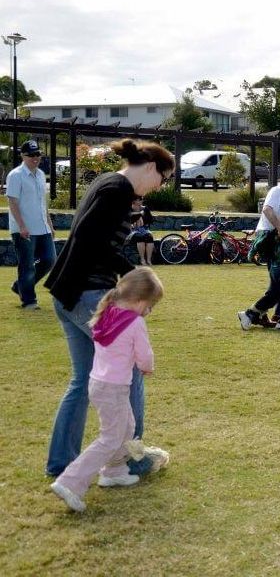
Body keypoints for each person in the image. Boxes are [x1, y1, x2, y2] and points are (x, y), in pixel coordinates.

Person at [44, 138, 174, 478]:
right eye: (162, 179)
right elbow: (90, 239)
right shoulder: (117, 189)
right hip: (89, 295)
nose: (159, 187)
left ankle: (61, 461)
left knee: (83, 379)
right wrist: (132, 274)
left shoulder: (108, 184)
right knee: (128, 370)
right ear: (149, 168)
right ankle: (130, 458)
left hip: (68, 294)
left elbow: (90, 239)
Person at [50, 268, 163, 512]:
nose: (149, 311)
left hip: (99, 384)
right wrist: (147, 367)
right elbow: (144, 355)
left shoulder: (107, 312)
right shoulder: (135, 322)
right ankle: (70, 482)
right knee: (110, 437)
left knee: (127, 427)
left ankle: (114, 471)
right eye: (150, 305)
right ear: (140, 301)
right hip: (114, 388)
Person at [237, 166, 280, 328]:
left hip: (277, 239)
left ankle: (264, 314)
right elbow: (266, 209)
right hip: (269, 238)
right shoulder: (277, 191)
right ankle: (253, 314)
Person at [6, 139, 56, 310]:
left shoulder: (41, 175)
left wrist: (50, 224)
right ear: (22, 156)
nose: (35, 158)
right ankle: (29, 301)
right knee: (27, 264)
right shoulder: (15, 175)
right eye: (31, 155)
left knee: (50, 260)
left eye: (38, 155)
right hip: (24, 229)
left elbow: (43, 202)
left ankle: (20, 286)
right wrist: (21, 226)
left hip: (42, 227)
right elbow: (12, 202)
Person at [129, 197, 155, 265]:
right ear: (134, 201)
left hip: (144, 228)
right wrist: (138, 215)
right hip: (133, 230)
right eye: (139, 199)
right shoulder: (129, 209)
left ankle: (148, 260)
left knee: (149, 237)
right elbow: (128, 219)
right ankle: (142, 259)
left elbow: (151, 220)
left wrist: (143, 219)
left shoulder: (145, 209)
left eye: (141, 199)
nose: (141, 200)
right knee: (140, 237)